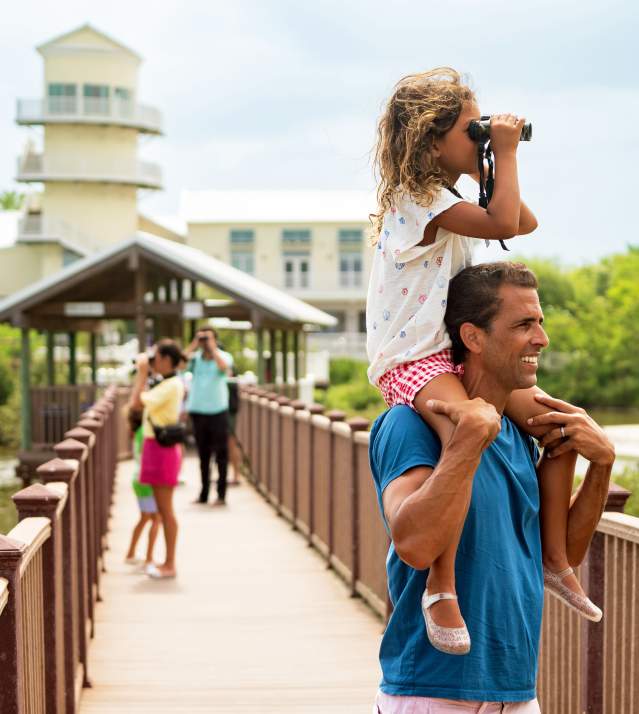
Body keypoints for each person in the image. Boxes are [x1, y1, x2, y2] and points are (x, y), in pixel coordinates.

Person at [366, 68, 600, 656]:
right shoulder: (415, 199)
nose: (482, 139)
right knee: (467, 431)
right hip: (413, 357)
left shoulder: (448, 202)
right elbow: (502, 222)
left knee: (554, 423)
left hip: (443, 350)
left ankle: (554, 558)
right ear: (430, 139)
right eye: (471, 130)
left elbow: (521, 222)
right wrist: (502, 148)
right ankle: (439, 586)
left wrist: (496, 160)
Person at [369, 262, 615, 712]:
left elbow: (559, 553)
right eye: (524, 325)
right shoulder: (407, 424)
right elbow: (415, 544)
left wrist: (601, 463)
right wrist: (466, 441)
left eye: (540, 323)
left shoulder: (521, 433)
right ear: (473, 337)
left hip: (517, 693)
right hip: (432, 691)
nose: (541, 339)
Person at [130, 340, 185, 579]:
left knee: (165, 511)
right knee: (162, 511)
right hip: (156, 449)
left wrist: (142, 373)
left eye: (157, 357)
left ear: (166, 359)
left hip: (161, 451)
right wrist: (147, 373)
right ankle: (167, 562)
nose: (154, 361)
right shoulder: (167, 383)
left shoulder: (172, 384)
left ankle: (170, 563)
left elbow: (135, 403)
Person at [185, 326, 234, 505]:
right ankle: (204, 493)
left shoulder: (223, 356)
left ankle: (221, 494)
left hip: (218, 411)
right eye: (202, 338)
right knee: (203, 455)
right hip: (198, 411)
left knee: (221, 454)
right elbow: (179, 365)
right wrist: (193, 345)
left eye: (208, 338)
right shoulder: (195, 359)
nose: (205, 342)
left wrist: (213, 349)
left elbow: (225, 369)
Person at [124, 407, 162, 568]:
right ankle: (149, 558)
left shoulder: (137, 433)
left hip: (138, 479)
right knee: (157, 519)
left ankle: (131, 553)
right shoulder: (145, 433)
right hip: (146, 480)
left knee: (145, 518)